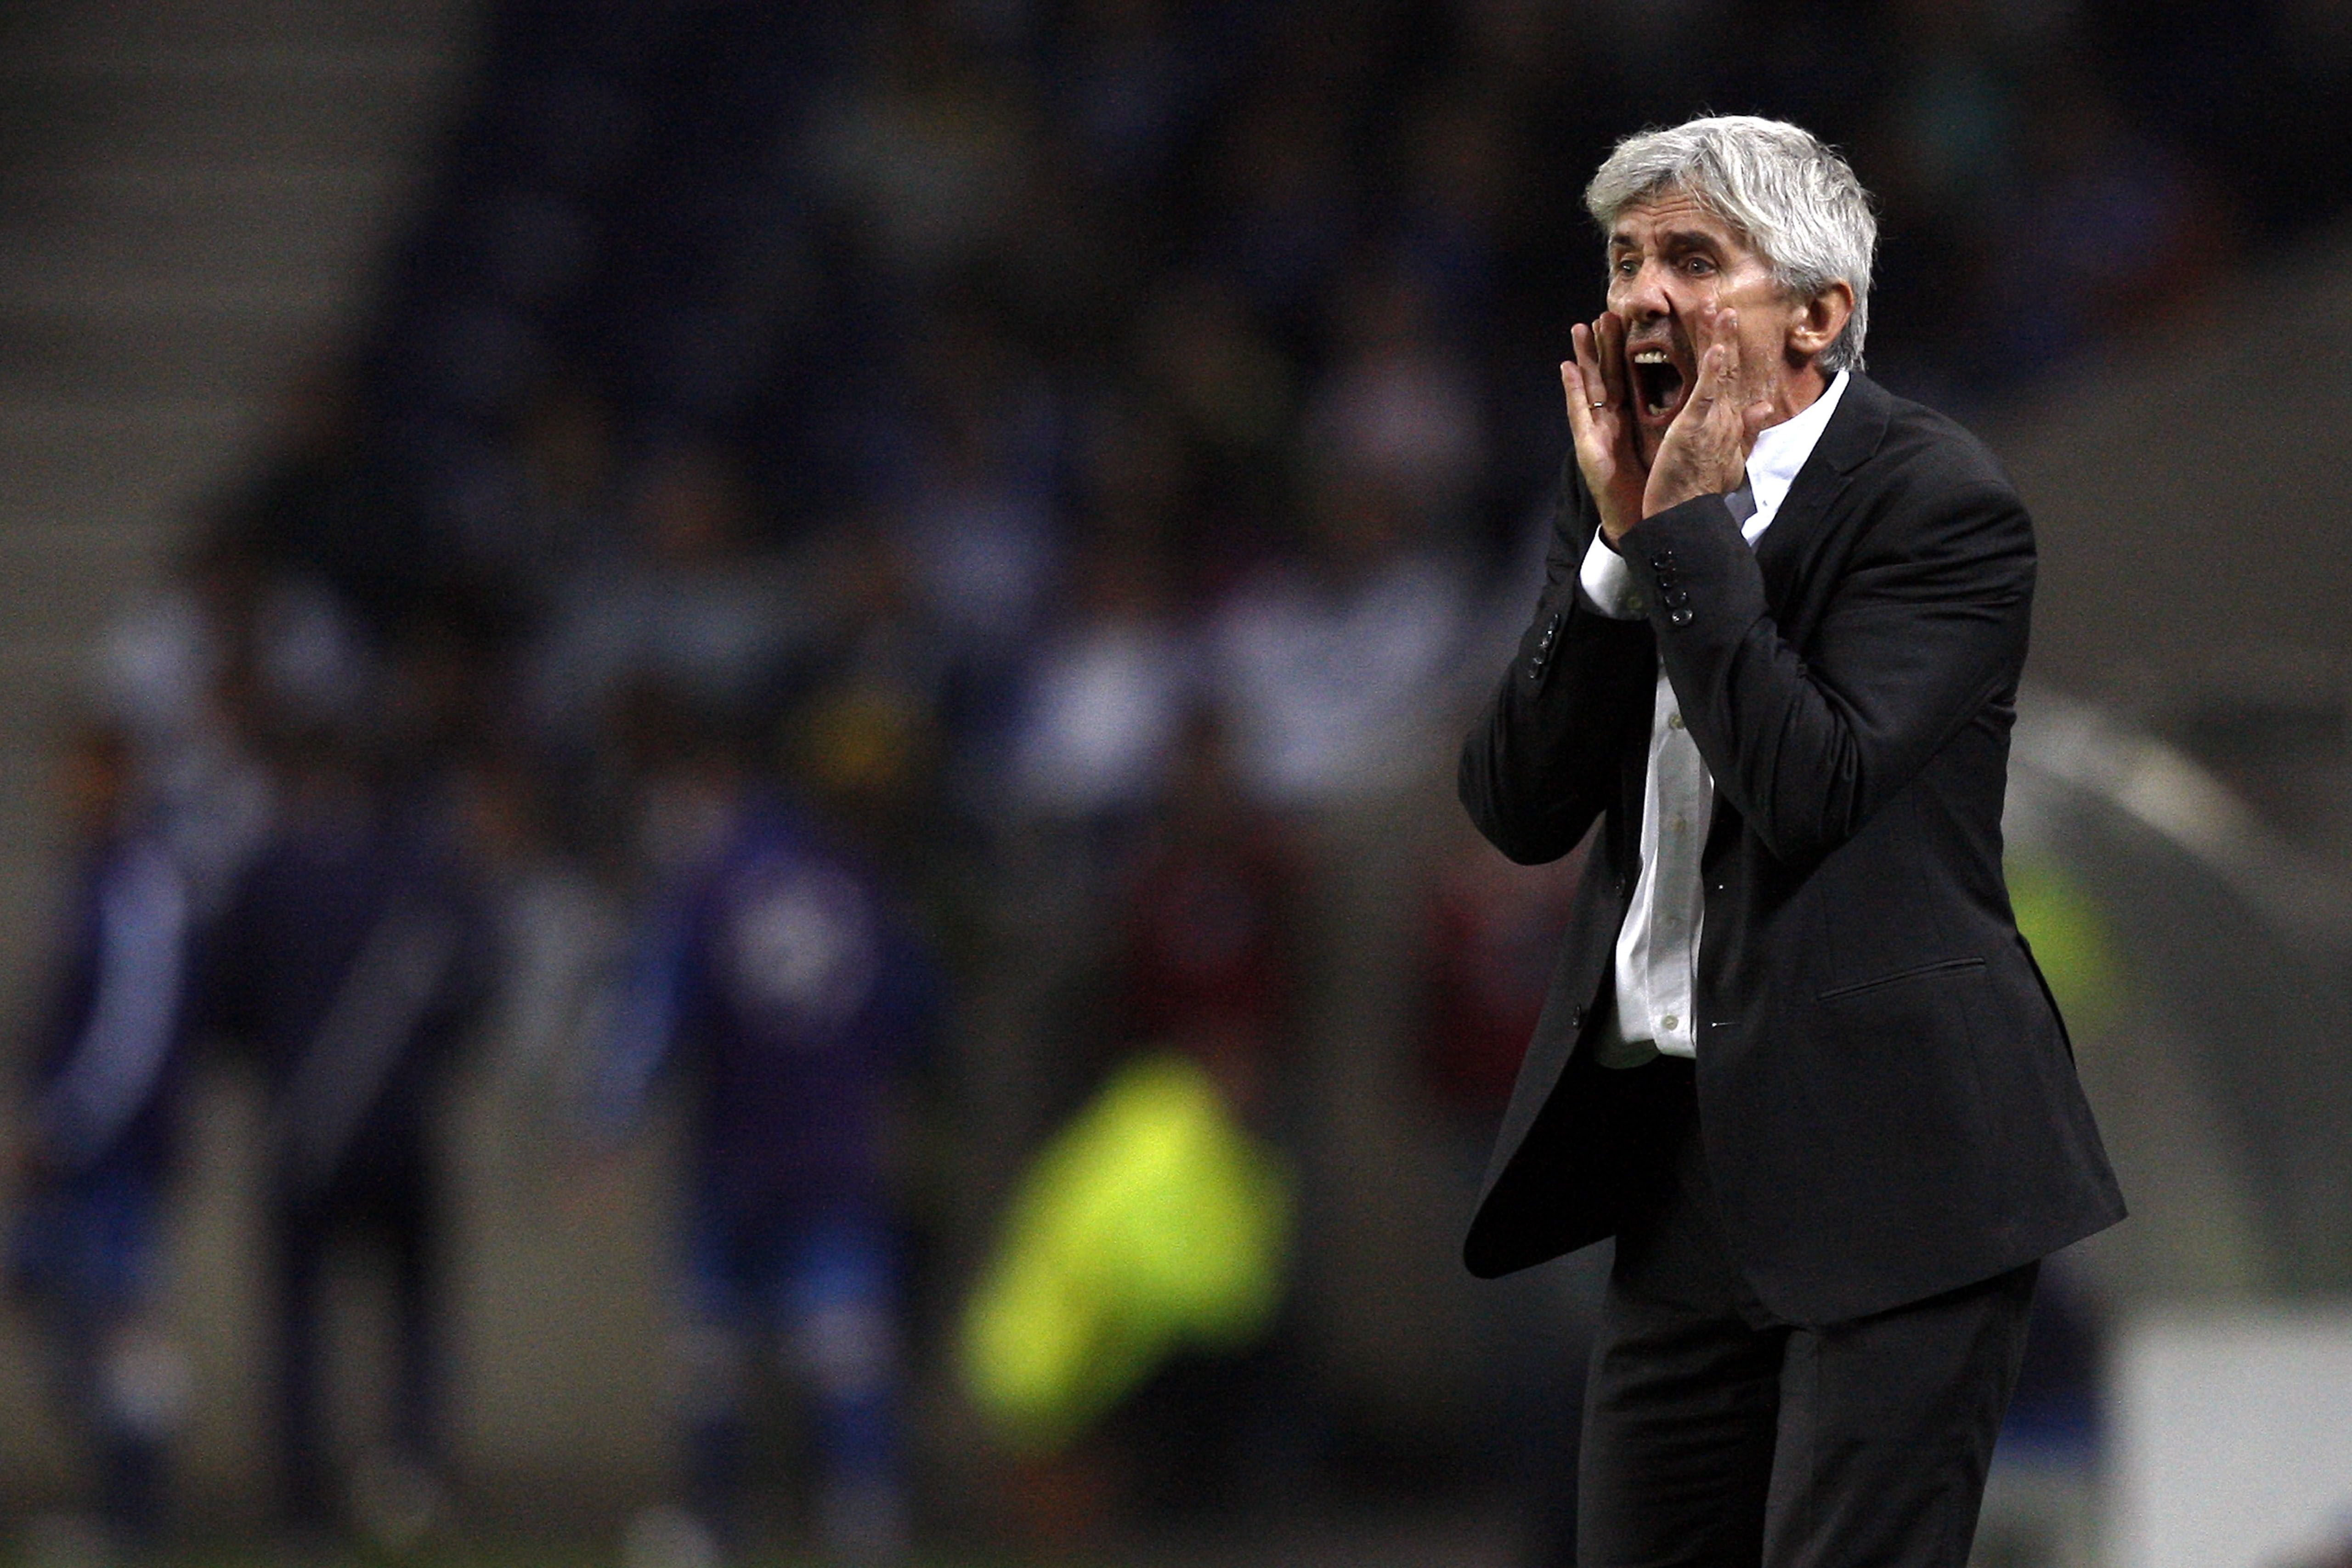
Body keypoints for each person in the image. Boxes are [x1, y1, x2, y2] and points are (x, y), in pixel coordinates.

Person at [1455, 116, 2124, 1567]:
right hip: (1681, 1164)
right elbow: (1515, 803)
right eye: (1626, 259)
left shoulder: (1936, 503)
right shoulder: (1617, 488)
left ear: (1821, 313)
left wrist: (1682, 534)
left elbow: (1809, 785)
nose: (1641, 295)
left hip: (1897, 1162)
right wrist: (1612, 551)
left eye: (1693, 259)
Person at [585, 689, 937, 1564]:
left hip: (736, 1161)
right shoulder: (865, 885)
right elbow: (923, 1018)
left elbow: (657, 1011)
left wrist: (607, 1117)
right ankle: (866, 1521)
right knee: (846, 1349)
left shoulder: (712, 884)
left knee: (716, 1358)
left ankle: (714, 1526)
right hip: (834, 1155)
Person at [8, 723, 196, 1549]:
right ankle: (114, 1504)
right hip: (78, 1154)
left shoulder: (140, 879)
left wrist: (64, 1125)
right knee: (56, 1310)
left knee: (121, 1324)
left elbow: (133, 1029)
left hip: (113, 1153)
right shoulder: (91, 873)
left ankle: (135, 1516)